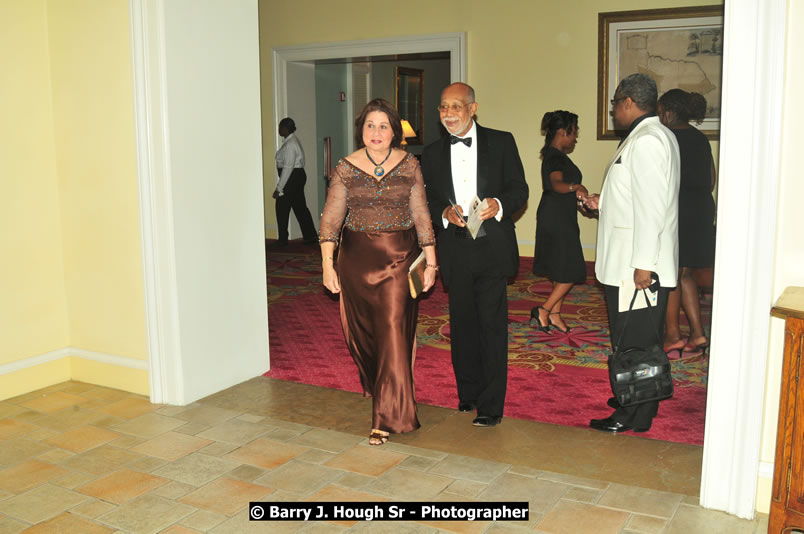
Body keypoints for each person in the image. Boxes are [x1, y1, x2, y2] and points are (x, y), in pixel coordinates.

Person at [319, 98, 437, 446]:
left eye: (384, 125)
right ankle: (381, 386)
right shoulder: (346, 167)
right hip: (355, 262)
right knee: (366, 337)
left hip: (400, 260)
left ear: (395, 131)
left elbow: (421, 215)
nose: (376, 132)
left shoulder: (410, 164)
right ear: (361, 130)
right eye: (370, 125)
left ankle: (388, 416)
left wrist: (431, 261)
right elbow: (331, 220)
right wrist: (327, 264)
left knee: (392, 332)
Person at [421, 82, 529, 428]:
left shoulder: (502, 141)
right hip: (455, 248)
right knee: (463, 325)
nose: (448, 113)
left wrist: (499, 205)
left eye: (455, 106)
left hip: (492, 246)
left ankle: (491, 404)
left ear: (473, 108)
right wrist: (443, 214)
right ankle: (468, 393)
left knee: (491, 326)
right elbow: (429, 198)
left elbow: (519, 189)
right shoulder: (433, 152)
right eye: (443, 107)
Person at [583, 73, 680, 433]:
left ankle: (629, 412)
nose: (612, 112)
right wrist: (603, 202)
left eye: (613, 105)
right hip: (635, 262)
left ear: (626, 102)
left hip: (636, 268)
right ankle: (643, 408)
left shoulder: (648, 141)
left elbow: (652, 209)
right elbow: (638, 197)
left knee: (633, 345)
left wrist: (643, 266)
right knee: (642, 343)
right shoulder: (649, 136)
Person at [657, 89, 717, 356]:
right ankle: (698, 333)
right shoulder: (700, 138)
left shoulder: (667, 138)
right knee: (686, 273)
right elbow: (711, 178)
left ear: (668, 112)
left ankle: (672, 335)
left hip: (677, 211)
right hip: (702, 210)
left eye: (659, 112)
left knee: (670, 275)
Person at [530, 111, 589, 333]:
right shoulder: (555, 157)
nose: (575, 138)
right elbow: (556, 184)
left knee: (559, 268)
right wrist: (577, 187)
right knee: (571, 270)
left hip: (558, 215)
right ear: (564, 131)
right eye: (575, 132)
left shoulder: (554, 155)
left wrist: (580, 200)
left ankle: (554, 314)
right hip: (556, 218)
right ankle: (544, 310)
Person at [272, 117, 318, 247]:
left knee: (281, 206)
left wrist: (279, 188)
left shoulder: (291, 144)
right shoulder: (290, 141)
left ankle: (282, 239)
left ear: (286, 128)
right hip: (296, 177)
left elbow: (288, 167)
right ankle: (310, 236)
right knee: (299, 206)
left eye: (280, 127)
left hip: (292, 177)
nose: (279, 129)